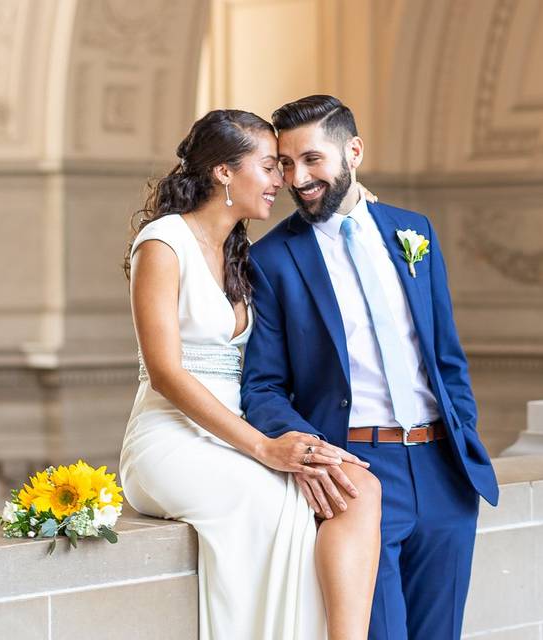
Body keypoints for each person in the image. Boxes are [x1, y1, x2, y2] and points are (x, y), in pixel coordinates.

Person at [242, 95, 500, 640]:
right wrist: (320, 458)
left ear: (353, 151)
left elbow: (446, 355)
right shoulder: (270, 260)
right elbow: (263, 387)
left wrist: (464, 433)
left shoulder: (415, 232)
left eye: (313, 159)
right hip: (355, 473)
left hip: (443, 472)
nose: (298, 178)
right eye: (286, 163)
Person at [118, 109, 381, 640]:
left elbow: (319, 229)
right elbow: (166, 374)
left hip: (234, 435)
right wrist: (265, 448)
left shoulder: (240, 251)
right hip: (170, 439)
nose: (282, 181)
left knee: (349, 487)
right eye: (269, 167)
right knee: (275, 501)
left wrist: (356, 205)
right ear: (223, 173)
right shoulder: (163, 243)